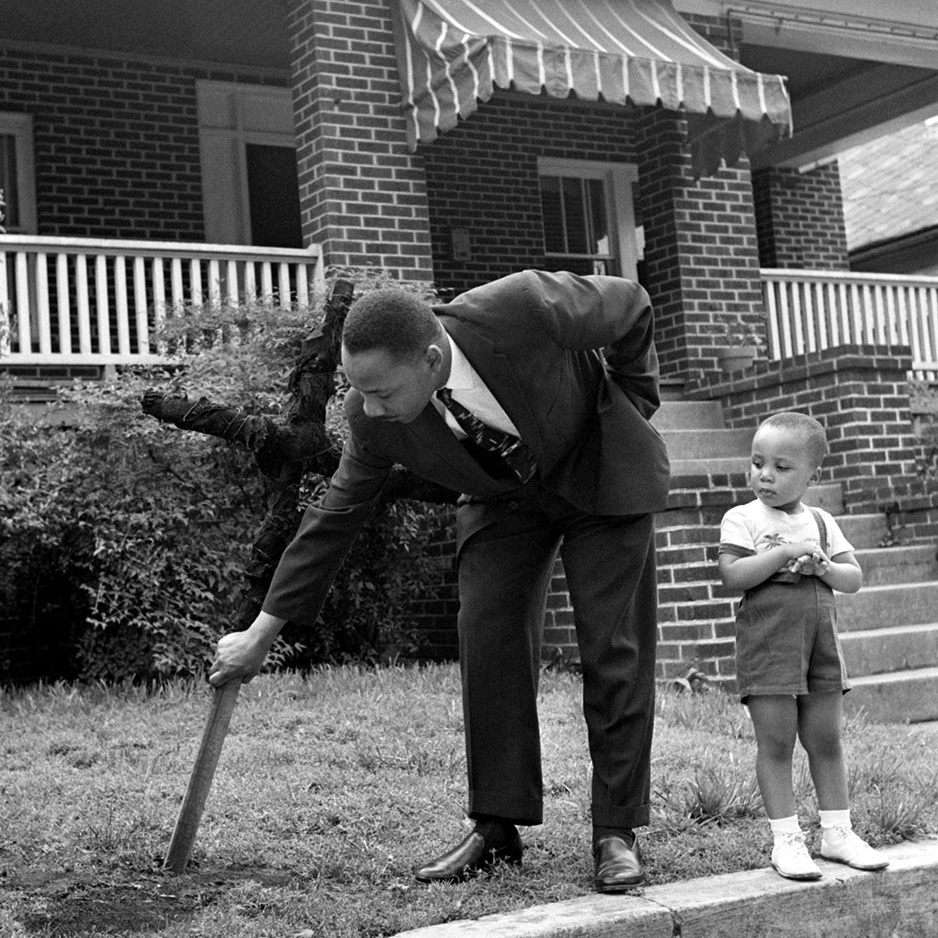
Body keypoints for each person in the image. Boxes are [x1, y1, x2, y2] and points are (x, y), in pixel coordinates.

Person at [209, 269, 670, 892]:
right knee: (487, 635)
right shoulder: (372, 417)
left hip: (598, 464)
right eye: (359, 391)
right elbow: (334, 517)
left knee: (613, 646)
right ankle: (497, 827)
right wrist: (263, 632)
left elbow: (632, 305)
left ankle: (616, 830)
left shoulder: (521, 307)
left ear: (431, 359)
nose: (367, 409)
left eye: (379, 391)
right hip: (503, 497)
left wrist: (634, 402)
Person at [718, 411, 889, 881]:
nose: (764, 475)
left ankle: (837, 833)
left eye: (780, 466)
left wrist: (823, 569)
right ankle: (787, 841)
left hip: (820, 644)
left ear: (813, 473)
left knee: (826, 739)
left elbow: (853, 577)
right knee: (776, 741)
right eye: (757, 463)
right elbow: (733, 575)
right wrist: (782, 553)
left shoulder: (820, 520)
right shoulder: (744, 517)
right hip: (769, 645)